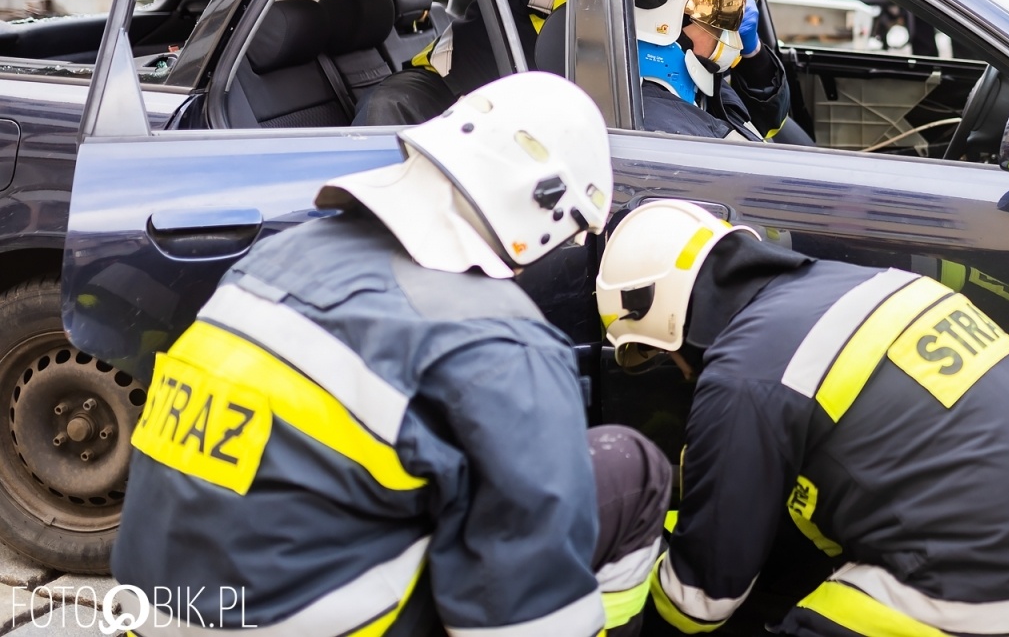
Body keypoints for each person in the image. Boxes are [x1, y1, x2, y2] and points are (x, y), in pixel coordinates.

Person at [114, 72, 672, 636]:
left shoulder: (273, 261)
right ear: (542, 205)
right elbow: (523, 619)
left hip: (156, 613)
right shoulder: (500, 344)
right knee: (627, 466)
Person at [600, 199, 1009, 637]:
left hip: (1008, 585)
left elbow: (704, 599)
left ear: (664, 324)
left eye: (648, 357)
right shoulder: (851, 282)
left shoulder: (745, 374)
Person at [633, 0, 791, 142]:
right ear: (665, 21)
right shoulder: (662, 132)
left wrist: (755, 55)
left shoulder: (702, 84)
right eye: (720, 17)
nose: (730, 32)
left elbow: (767, 122)